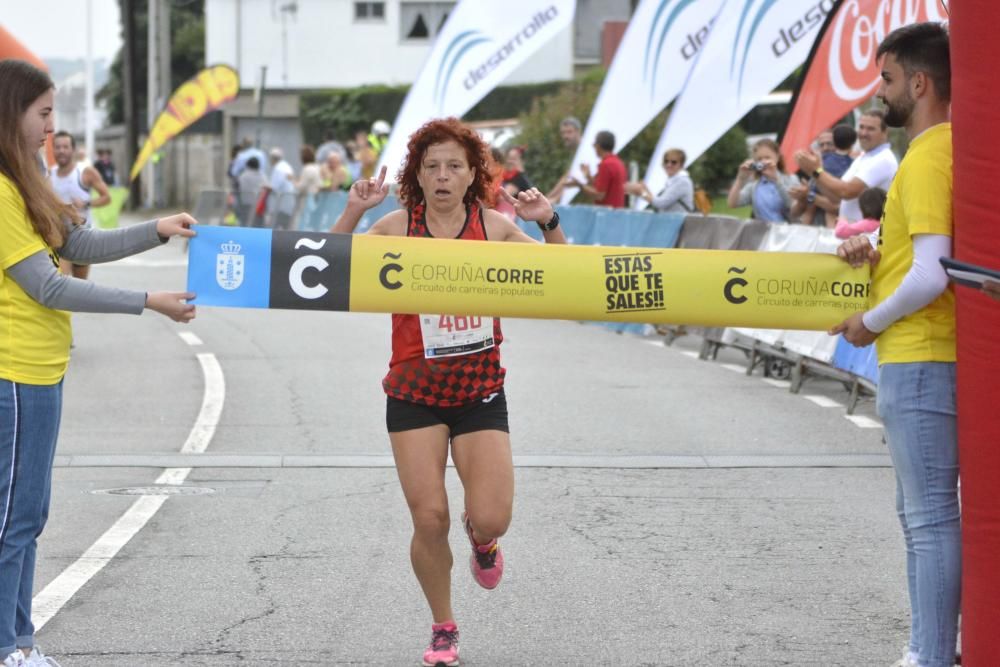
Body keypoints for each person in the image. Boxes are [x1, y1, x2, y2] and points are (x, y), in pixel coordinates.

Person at [331, 117, 566, 667]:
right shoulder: (395, 226)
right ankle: (443, 626)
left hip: (480, 389)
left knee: (491, 517)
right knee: (429, 518)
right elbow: (323, 268)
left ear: (472, 175)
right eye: (431, 166)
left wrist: (547, 221)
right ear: (417, 174)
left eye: (454, 166)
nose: (442, 176)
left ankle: (482, 541)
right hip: (413, 391)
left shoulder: (495, 228)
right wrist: (353, 211)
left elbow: (564, 279)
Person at [0, 58, 197, 667]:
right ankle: (8, 646)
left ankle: (20, 640)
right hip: (13, 374)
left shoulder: (25, 180)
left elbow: (78, 244)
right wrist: (149, 302)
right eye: (43, 113)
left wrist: (156, 230)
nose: (51, 127)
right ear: (13, 115)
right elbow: (49, 286)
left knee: (28, 514)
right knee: (13, 517)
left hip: (41, 369)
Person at [828, 23, 958, 667]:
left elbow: (935, 271)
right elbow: (918, 257)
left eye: (884, 79)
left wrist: (868, 322)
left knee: (929, 520)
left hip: (923, 356)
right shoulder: (933, 153)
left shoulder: (933, 153)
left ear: (919, 81)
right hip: (920, 357)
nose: (878, 94)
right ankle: (925, 649)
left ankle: (931, 654)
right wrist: (873, 254)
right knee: (922, 518)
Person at [795, 109, 898, 223]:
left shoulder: (883, 160)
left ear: (885, 132)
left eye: (870, 129)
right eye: (861, 127)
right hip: (853, 234)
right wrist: (812, 172)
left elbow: (847, 191)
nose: (863, 133)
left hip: (867, 236)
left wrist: (816, 171)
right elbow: (837, 197)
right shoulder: (864, 156)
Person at [49, 131, 111, 280]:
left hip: (81, 235)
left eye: (65, 147)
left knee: (80, 284)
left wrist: (86, 203)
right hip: (59, 236)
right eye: (57, 147)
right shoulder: (48, 174)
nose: (61, 150)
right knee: (61, 280)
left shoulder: (85, 172)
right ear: (53, 150)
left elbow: (107, 197)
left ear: (73, 150)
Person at [727, 138, 800, 223]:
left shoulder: (791, 179)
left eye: (767, 157)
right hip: (763, 232)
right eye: (759, 159)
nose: (763, 162)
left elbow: (793, 206)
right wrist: (740, 179)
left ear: (777, 157)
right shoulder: (754, 185)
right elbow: (732, 204)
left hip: (786, 232)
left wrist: (776, 180)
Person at [568, 130, 627, 208]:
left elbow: (599, 195)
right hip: (617, 213)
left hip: (607, 214)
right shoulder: (618, 163)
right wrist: (588, 176)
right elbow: (604, 187)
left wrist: (579, 185)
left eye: (594, 144)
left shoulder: (606, 165)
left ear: (598, 146)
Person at [627, 148, 694, 213]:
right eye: (666, 161)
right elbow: (659, 202)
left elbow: (661, 203)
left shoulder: (682, 182)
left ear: (681, 165)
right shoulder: (674, 181)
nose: (669, 165)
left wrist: (642, 193)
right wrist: (645, 190)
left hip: (681, 223)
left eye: (673, 162)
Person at [544, 116, 582, 201]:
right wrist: (547, 198)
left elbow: (579, 180)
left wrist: (554, 199)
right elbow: (567, 177)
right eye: (563, 133)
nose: (565, 136)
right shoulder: (575, 151)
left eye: (569, 132)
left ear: (578, 132)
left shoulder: (584, 151)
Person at [264, 147, 296, 230]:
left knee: (274, 228)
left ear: (273, 158)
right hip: (288, 204)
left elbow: (274, 187)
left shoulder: (278, 168)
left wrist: (263, 186)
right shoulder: (286, 166)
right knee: (287, 227)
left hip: (280, 206)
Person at [236, 156, 266, 226]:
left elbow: (238, 189)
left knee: (245, 225)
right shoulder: (262, 176)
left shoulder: (243, 176)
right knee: (258, 226)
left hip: (246, 205)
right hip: (259, 206)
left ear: (248, 165)